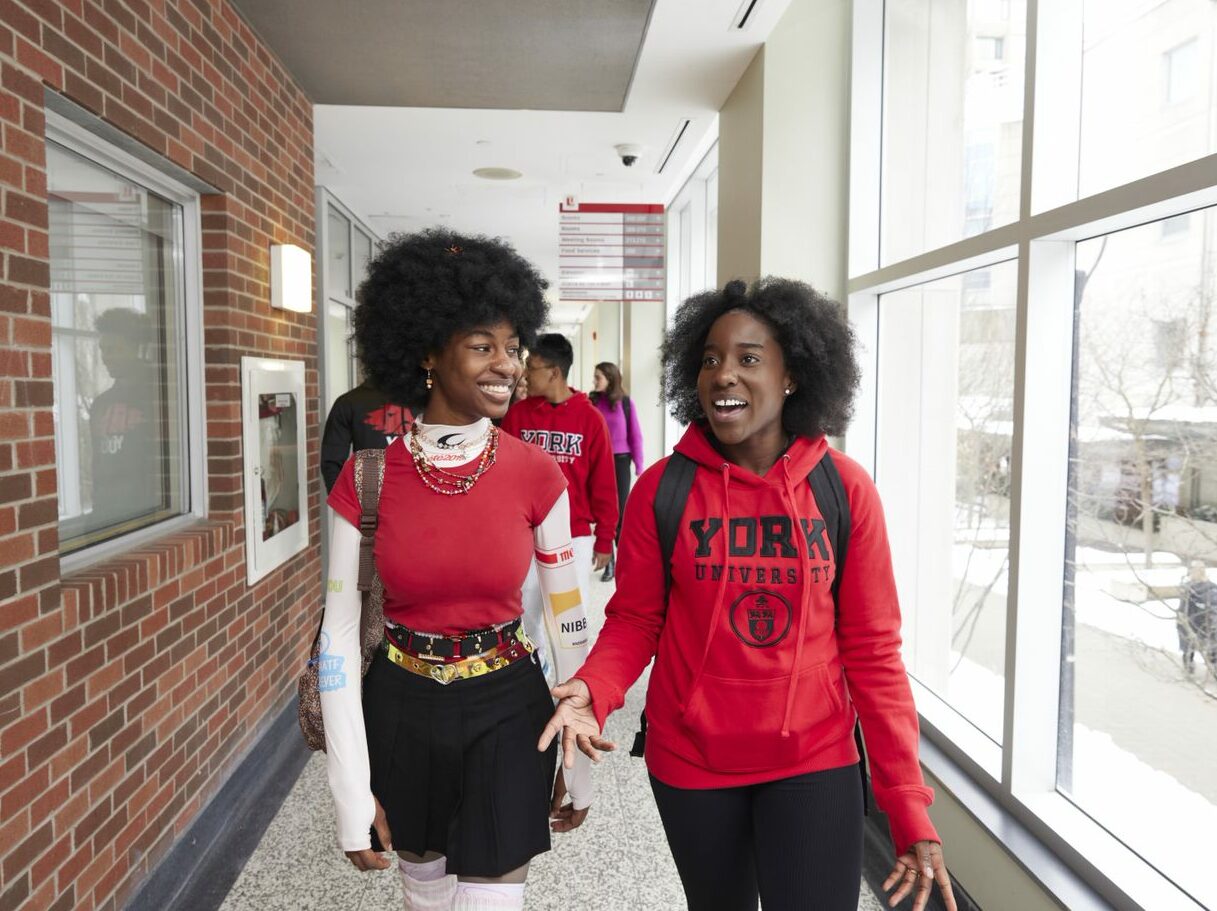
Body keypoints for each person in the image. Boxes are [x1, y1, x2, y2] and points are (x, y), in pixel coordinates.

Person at [540, 278, 957, 911]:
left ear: (794, 375)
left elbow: (874, 653)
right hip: (691, 760)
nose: (723, 374)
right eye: (710, 359)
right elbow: (634, 620)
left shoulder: (843, 490)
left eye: (748, 358)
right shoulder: (661, 490)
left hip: (815, 758)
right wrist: (593, 690)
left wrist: (906, 800)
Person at [318, 229, 594, 911]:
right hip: (402, 709)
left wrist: (582, 765)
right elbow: (336, 639)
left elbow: (568, 622)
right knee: (427, 898)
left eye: (512, 348)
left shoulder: (538, 473)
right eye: (481, 346)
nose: (506, 365)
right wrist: (350, 792)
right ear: (427, 355)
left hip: (508, 707)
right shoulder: (367, 475)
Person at [501, 334, 619, 680]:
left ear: (554, 372)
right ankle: (534, 677)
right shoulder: (518, 416)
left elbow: (605, 485)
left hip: (574, 537)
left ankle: (572, 688)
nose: (525, 374)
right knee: (524, 613)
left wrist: (604, 540)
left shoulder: (590, 419)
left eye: (532, 368)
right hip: (524, 536)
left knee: (568, 619)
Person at [90, 308, 160, 530]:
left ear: (134, 348)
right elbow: (97, 464)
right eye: (103, 349)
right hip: (105, 516)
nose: (105, 357)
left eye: (114, 349)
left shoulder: (158, 395)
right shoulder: (100, 404)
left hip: (148, 517)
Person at [590, 361, 645, 581]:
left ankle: (623, 561)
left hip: (620, 462)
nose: (594, 381)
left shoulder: (625, 403)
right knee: (604, 513)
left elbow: (636, 435)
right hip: (598, 462)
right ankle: (609, 563)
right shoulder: (592, 401)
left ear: (610, 379)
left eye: (598, 377)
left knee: (621, 513)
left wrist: (640, 464)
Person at [320, 378, 413, 493]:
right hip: (373, 499)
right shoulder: (348, 403)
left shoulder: (349, 401)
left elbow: (332, 462)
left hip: (417, 498)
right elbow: (332, 462)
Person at [1179, 560, 1216, 677]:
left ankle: (1189, 670)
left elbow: (1184, 606)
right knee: (1211, 647)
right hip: (1207, 622)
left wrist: (1181, 618)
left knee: (1188, 647)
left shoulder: (1189, 588)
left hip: (1193, 620)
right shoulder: (1212, 587)